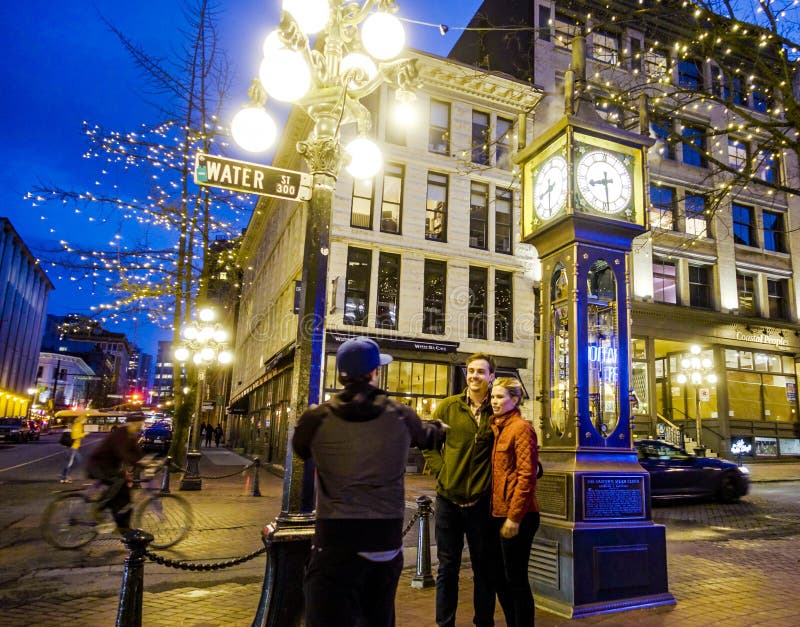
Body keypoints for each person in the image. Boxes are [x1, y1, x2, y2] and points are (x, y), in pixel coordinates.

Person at [292, 336, 446, 627]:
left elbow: (300, 448)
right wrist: (439, 427)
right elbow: (429, 436)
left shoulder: (317, 418)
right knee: (378, 616)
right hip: (382, 537)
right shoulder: (400, 414)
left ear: (341, 375)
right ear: (375, 372)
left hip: (334, 539)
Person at [422, 352, 498, 627]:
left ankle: (484, 622)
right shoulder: (448, 406)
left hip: (482, 503)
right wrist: (443, 472)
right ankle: (445, 623)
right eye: (471, 370)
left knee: (484, 569)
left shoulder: (497, 410)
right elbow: (428, 444)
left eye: (481, 371)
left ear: (491, 377)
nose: (475, 375)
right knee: (447, 568)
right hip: (448, 501)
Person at [489, 377, 540, 627]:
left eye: (500, 397)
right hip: (499, 512)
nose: (494, 401)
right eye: (493, 397)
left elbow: (527, 475)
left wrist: (514, 517)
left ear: (515, 399)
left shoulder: (521, 428)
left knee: (516, 579)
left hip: (519, 515)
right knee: (501, 577)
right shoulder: (498, 427)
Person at [86, 416, 146, 531]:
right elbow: (122, 453)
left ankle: (123, 527)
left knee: (125, 496)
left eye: (140, 425)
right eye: (138, 425)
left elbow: (137, 452)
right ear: (131, 424)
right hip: (98, 466)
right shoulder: (120, 434)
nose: (139, 428)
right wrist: (139, 462)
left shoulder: (131, 436)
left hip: (110, 467)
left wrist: (147, 462)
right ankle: (99, 506)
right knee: (118, 480)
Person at [59, 414, 88, 483]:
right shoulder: (77, 425)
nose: (86, 421)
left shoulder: (79, 425)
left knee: (76, 461)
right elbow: (75, 436)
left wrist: (83, 434)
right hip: (73, 447)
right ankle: (65, 476)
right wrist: (85, 434)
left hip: (75, 446)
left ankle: (65, 476)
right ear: (82, 419)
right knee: (71, 462)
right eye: (85, 419)